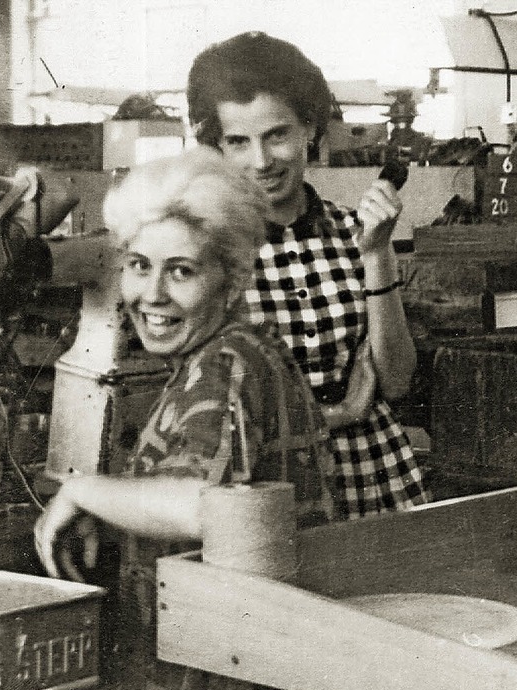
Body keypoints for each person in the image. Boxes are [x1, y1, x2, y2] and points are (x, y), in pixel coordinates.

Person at [33, 147, 336, 589]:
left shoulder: (224, 366)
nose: (153, 295)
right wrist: (112, 513)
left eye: (181, 271)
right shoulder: (232, 352)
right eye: (139, 266)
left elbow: (203, 505)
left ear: (231, 286)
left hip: (230, 638)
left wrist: (82, 492)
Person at [186, 31, 429, 519]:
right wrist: (338, 414)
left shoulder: (351, 231)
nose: (261, 161)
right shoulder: (207, 250)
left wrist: (376, 253)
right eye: (238, 141)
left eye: (277, 134)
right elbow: (210, 413)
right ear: (217, 146)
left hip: (373, 475)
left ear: (310, 129)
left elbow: (397, 381)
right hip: (265, 486)